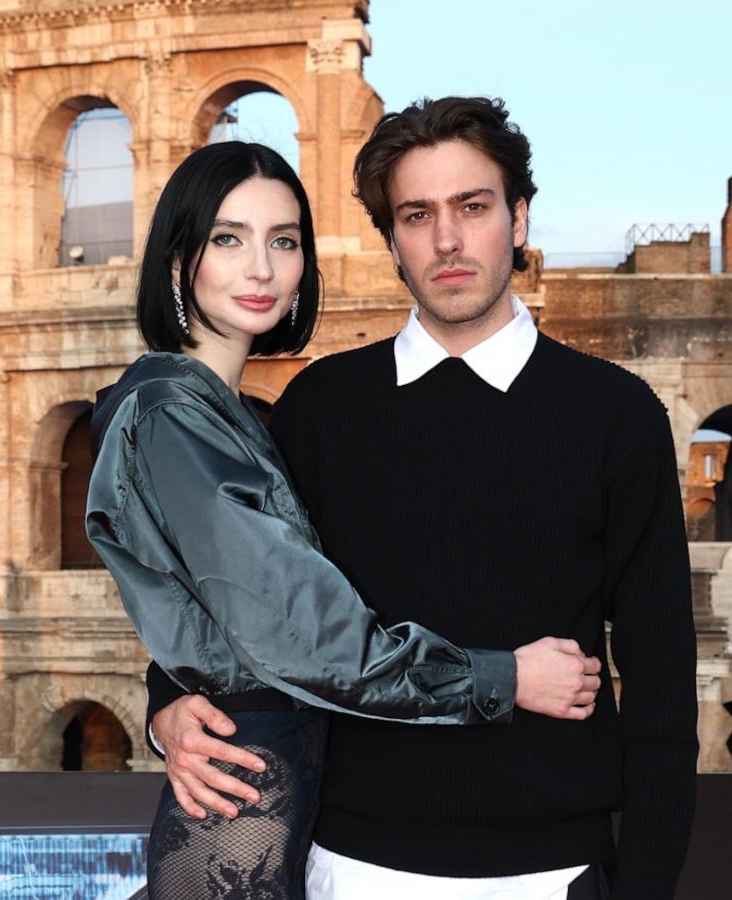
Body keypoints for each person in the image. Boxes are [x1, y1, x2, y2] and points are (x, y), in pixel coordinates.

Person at [147, 99, 699, 899]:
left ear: (517, 218)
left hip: (551, 873)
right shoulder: (319, 409)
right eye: (417, 215)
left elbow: (661, 679)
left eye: (472, 207)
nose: (447, 240)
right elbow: (222, 595)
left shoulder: (615, 415)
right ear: (392, 240)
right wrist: (167, 698)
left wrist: (645, 886)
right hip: (346, 865)